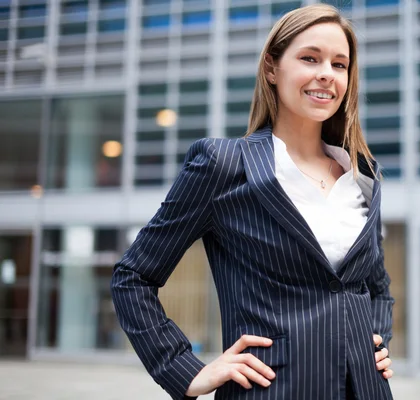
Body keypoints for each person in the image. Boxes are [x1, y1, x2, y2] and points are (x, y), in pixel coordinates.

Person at [111, 4, 395, 399]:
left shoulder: (361, 175)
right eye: (310, 58)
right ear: (271, 69)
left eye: (340, 64)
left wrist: (378, 342)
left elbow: (376, 286)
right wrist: (185, 370)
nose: (327, 74)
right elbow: (133, 277)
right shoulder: (224, 165)